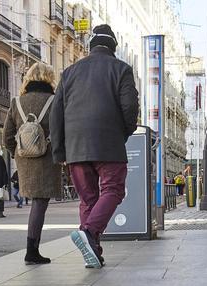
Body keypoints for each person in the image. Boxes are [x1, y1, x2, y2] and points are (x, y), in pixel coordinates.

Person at [50, 24, 140, 268]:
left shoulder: (69, 73)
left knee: (88, 200)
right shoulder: (121, 69)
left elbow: (55, 113)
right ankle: (89, 233)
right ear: (113, 47)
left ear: (90, 46)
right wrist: (123, 132)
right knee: (113, 190)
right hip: (108, 143)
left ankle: (93, 252)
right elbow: (130, 108)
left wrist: (59, 151)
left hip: (76, 147)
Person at [4, 62, 63, 264]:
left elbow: (7, 137)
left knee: (37, 203)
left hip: (25, 162)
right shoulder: (55, 101)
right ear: (49, 77)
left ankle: (33, 249)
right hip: (47, 159)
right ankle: (31, 251)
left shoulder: (16, 102)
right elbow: (61, 131)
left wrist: (19, 155)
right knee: (39, 203)